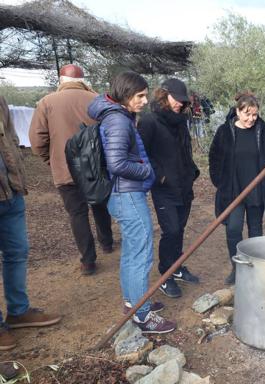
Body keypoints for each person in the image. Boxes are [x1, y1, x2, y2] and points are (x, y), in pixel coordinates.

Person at [88, 71, 175, 333]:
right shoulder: (118, 120)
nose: (145, 100)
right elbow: (117, 164)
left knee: (131, 252)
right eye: (140, 95)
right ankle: (142, 316)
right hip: (127, 194)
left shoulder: (117, 116)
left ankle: (133, 302)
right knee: (141, 254)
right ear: (125, 95)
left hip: (122, 194)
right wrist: (147, 171)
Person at [29, 64, 114, 276]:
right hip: (96, 167)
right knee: (100, 204)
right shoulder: (97, 99)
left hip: (65, 168)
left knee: (77, 213)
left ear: (61, 81)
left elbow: (37, 140)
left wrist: (51, 160)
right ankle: (107, 242)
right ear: (83, 79)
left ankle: (88, 261)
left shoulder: (47, 102)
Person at [0, 96, 62, 353]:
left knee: (17, 252)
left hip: (10, 191)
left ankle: (18, 311)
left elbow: (10, 137)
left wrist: (17, 174)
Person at [209, 92, 265, 285]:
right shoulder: (224, 132)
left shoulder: (264, 131)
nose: (251, 119)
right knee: (233, 229)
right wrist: (220, 181)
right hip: (233, 190)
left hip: (257, 190)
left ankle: (255, 267)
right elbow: (214, 157)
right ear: (237, 111)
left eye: (255, 115)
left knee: (255, 230)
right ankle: (238, 268)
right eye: (247, 114)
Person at [137, 78, 201, 298]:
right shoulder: (149, 121)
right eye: (176, 99)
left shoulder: (181, 120)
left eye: (183, 101)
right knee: (171, 230)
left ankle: (178, 267)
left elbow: (185, 150)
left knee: (180, 230)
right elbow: (141, 155)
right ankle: (166, 274)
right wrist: (159, 176)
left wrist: (192, 171)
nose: (180, 104)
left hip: (184, 185)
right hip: (164, 188)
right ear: (164, 95)